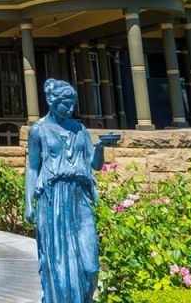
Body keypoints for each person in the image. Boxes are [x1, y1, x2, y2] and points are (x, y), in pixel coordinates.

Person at [26, 79, 119, 303]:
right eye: (66, 103)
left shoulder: (79, 129)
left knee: (90, 265)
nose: (70, 108)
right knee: (58, 262)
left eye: (72, 104)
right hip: (53, 200)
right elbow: (33, 167)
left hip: (79, 197)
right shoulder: (38, 130)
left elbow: (95, 165)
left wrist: (100, 147)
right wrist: (29, 202)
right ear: (51, 101)